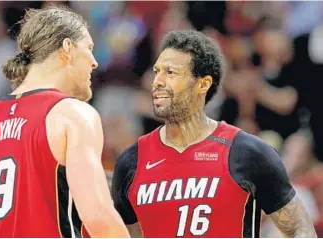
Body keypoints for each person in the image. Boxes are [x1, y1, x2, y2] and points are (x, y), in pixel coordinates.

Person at [111, 29, 317, 238]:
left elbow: (301, 228)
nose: (158, 81)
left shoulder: (248, 152)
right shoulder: (131, 162)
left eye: (170, 73)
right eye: (157, 72)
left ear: (203, 84)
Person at [0, 6, 130, 238]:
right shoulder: (72, 113)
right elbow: (98, 217)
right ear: (67, 48)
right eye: (89, 48)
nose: (94, 62)